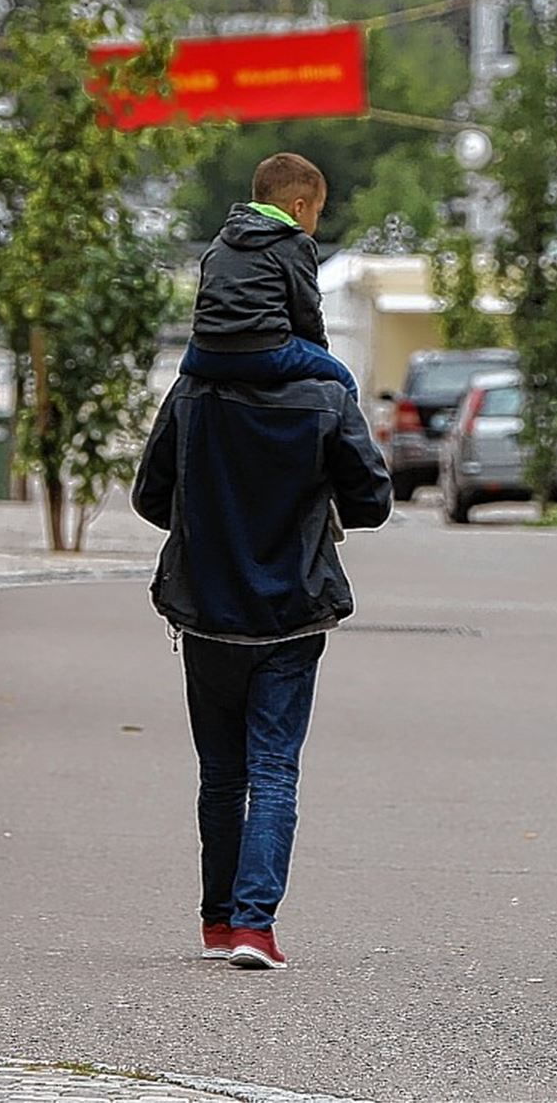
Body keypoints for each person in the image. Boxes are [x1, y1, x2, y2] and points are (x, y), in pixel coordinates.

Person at [132, 361, 392, 969]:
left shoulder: (195, 387)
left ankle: (219, 921)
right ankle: (256, 927)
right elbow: (372, 499)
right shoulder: (328, 395)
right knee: (273, 768)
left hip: (206, 607)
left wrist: (214, 525)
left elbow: (150, 494)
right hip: (292, 610)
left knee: (221, 773)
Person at [179, 152, 358, 399]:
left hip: (205, 354)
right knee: (344, 381)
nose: (316, 222)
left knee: (182, 389)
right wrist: (319, 355)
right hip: (264, 351)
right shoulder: (295, 244)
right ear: (299, 208)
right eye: (317, 212)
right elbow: (306, 312)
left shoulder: (221, 241)